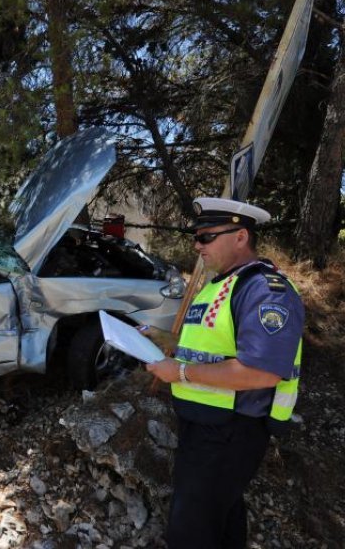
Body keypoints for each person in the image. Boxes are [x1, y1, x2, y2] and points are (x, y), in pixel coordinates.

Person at [142, 197, 304, 549]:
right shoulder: (219, 285)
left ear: (241, 236)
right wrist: (169, 340)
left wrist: (181, 372)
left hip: (232, 430)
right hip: (205, 425)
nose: (197, 244)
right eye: (196, 237)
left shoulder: (264, 290)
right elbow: (216, 347)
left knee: (190, 531)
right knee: (220, 515)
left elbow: (261, 373)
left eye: (206, 236)